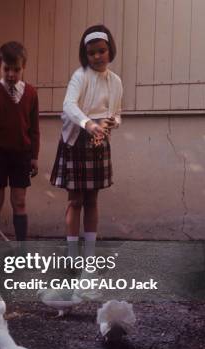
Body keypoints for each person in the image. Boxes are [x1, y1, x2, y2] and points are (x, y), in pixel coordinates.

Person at [49, 25, 123, 259]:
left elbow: (117, 112)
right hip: (76, 141)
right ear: (85, 55)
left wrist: (114, 122)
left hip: (98, 142)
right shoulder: (80, 76)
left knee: (92, 199)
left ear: (110, 50)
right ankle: (72, 254)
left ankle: (89, 254)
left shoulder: (115, 81)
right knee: (76, 199)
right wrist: (89, 124)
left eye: (101, 51)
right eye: (91, 53)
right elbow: (69, 106)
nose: (97, 56)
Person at [0, 41, 40, 271]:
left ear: (24, 67)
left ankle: (22, 253)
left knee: (19, 201)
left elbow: (34, 128)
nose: (11, 74)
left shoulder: (31, 94)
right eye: (7, 69)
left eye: (16, 69)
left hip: (21, 156)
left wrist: (34, 155)